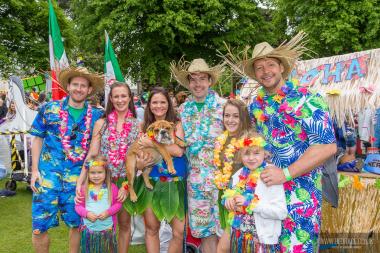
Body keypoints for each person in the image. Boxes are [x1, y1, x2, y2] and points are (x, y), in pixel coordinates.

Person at [238, 32, 337, 252]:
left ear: (282, 67)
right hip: (267, 196)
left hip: (300, 197)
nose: (266, 72)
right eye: (259, 68)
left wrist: (286, 174)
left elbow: (327, 146)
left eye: (271, 64)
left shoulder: (307, 98)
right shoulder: (256, 106)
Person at [30, 67, 104, 253]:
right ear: (68, 87)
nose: (79, 89)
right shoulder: (49, 109)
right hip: (47, 178)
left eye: (83, 86)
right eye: (75, 84)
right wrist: (34, 171)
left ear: (89, 90)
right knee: (39, 226)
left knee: (77, 225)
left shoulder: (96, 116)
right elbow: (37, 138)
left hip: (78, 180)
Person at [76, 81, 142, 253]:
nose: (120, 100)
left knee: (124, 224)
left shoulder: (137, 125)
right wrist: (80, 182)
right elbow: (92, 154)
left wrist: (127, 186)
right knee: (100, 223)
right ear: (110, 99)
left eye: (123, 96)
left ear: (130, 98)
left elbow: (138, 161)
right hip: (101, 181)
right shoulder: (102, 123)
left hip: (126, 180)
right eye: (116, 96)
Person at [171, 58, 225, 253]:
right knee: (204, 231)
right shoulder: (183, 110)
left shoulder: (224, 106)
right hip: (195, 181)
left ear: (210, 81)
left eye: (202, 78)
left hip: (221, 179)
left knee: (225, 229)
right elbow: (179, 144)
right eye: (193, 79)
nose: (198, 83)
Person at [134, 87, 187, 253]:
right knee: (151, 229)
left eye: (163, 102)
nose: (159, 106)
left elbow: (179, 151)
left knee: (178, 232)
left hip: (175, 182)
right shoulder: (143, 126)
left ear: (169, 104)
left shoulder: (176, 124)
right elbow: (138, 154)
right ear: (149, 105)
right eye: (154, 102)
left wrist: (151, 143)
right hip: (152, 182)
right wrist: (140, 164)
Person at [222, 131, 287, 252]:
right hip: (239, 239)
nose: (251, 158)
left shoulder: (270, 175)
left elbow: (281, 212)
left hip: (262, 244)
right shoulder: (238, 175)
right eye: (246, 153)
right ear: (241, 154)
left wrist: (252, 204)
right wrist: (229, 202)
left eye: (256, 153)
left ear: (265, 153)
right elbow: (231, 198)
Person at [214, 99, 252, 253]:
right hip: (224, 198)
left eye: (235, 116)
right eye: (227, 115)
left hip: (240, 201)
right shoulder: (222, 139)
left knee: (225, 248)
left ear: (243, 118)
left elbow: (254, 174)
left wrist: (238, 197)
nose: (230, 120)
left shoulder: (250, 140)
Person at [75, 155, 122, 253]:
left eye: (100, 172)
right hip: (89, 229)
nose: (96, 176)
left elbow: (118, 204)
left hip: (107, 228)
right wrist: (86, 214)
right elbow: (78, 206)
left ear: (106, 173)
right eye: (93, 173)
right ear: (88, 173)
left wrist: (108, 212)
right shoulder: (84, 189)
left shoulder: (112, 188)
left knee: (106, 249)